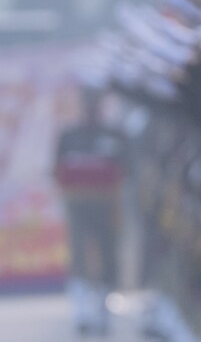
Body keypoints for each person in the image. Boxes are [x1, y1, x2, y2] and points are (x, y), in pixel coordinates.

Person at [54, 87, 127, 336]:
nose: (91, 109)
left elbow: (127, 167)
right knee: (79, 256)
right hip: (78, 206)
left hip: (107, 207)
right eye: (88, 104)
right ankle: (82, 311)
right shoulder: (69, 135)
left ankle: (104, 309)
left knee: (108, 254)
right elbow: (57, 168)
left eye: (96, 105)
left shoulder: (115, 135)